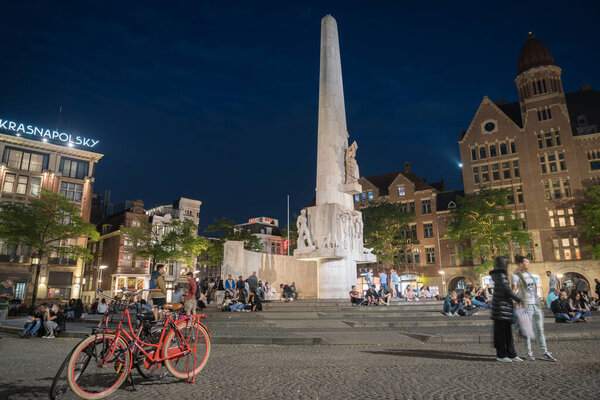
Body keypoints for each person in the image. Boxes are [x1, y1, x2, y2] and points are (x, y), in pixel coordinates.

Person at [512, 255, 556, 362]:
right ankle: (528, 353)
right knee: (527, 330)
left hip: (535, 305)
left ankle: (544, 352)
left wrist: (537, 298)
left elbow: (534, 288)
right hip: (525, 306)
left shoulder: (530, 275)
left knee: (540, 330)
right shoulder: (515, 276)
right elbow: (513, 290)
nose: (528, 264)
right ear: (521, 264)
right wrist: (515, 302)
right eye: (526, 262)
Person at [490, 256, 522, 362]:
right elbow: (506, 290)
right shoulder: (501, 275)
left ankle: (511, 353)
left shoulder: (499, 275)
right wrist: (518, 299)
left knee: (507, 333)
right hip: (501, 309)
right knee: (502, 334)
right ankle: (501, 355)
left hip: (503, 308)